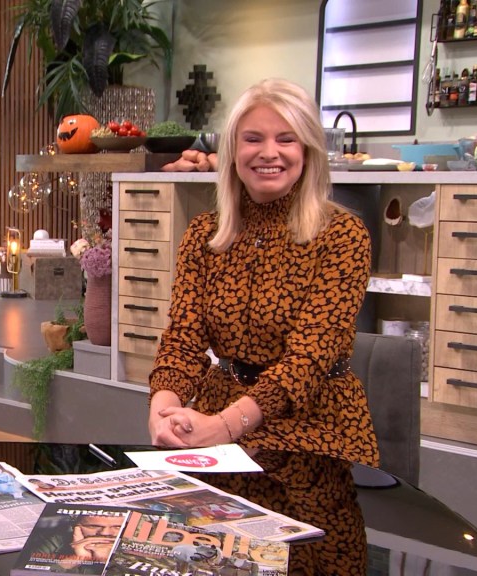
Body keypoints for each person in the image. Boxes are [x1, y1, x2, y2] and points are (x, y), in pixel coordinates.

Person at [147, 78, 378, 575]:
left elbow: (308, 360)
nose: (269, 152)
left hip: (311, 431)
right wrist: (162, 409)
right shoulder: (204, 234)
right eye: (253, 138)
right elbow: (183, 339)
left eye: (286, 139)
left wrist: (225, 425)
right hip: (218, 426)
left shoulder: (342, 236)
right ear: (233, 151)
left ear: (308, 151)